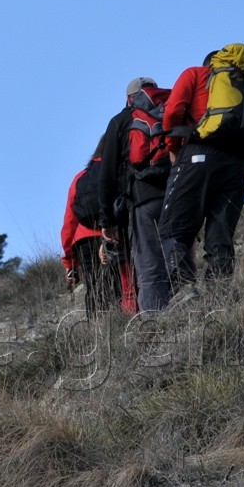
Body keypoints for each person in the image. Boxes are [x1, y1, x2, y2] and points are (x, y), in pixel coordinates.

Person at [160, 46, 244, 297]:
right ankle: (218, 298)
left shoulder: (195, 74)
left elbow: (172, 112)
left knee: (172, 229)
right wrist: (241, 171)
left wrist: (173, 149)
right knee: (221, 239)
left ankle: (184, 292)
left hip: (198, 155)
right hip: (237, 167)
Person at [97, 77, 173, 312]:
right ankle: (187, 315)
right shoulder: (169, 112)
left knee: (149, 265)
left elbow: (107, 173)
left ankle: (155, 322)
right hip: (175, 193)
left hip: (143, 200)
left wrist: (107, 220)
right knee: (177, 258)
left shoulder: (120, 121)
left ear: (129, 99)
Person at [62, 146, 135, 316]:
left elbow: (69, 222)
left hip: (84, 240)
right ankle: (124, 318)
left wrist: (69, 262)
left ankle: (96, 326)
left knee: (95, 289)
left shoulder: (79, 178)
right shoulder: (121, 170)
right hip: (115, 234)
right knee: (120, 283)